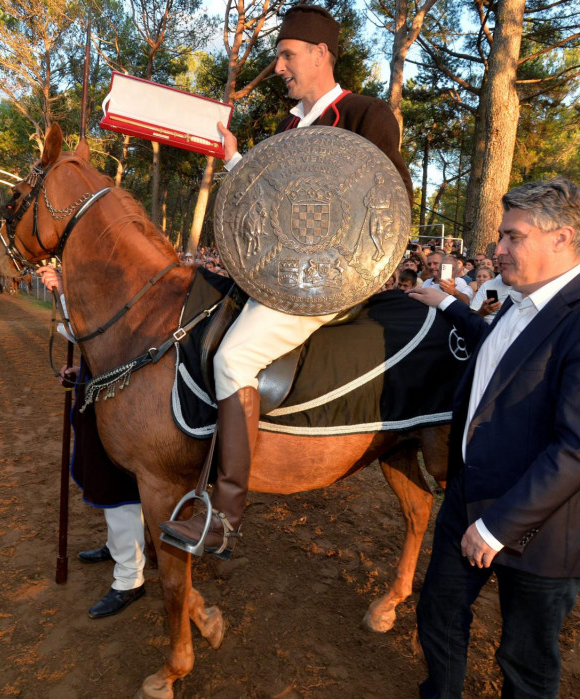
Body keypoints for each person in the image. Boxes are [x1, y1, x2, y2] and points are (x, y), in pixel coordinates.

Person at [159, 4, 413, 559]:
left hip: (328, 281)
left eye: (286, 55)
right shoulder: (286, 129)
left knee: (232, 360)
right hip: (277, 276)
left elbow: (388, 205)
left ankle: (225, 514)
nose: (278, 67)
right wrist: (233, 160)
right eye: (279, 56)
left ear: (321, 55)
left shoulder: (369, 114)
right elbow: (270, 204)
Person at [407, 177, 580, 698]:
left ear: (561, 239)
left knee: (526, 660)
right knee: (438, 613)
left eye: (513, 237)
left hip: (542, 527)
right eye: (500, 236)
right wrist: (445, 305)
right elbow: (501, 354)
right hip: (467, 499)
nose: (498, 249)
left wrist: (496, 528)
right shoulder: (517, 302)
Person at [38, 265, 147, 618]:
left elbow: (94, 328)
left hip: (120, 406)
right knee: (108, 487)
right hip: (100, 390)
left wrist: (65, 291)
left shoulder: (126, 282)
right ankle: (120, 548)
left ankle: (130, 578)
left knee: (118, 489)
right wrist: (81, 371)